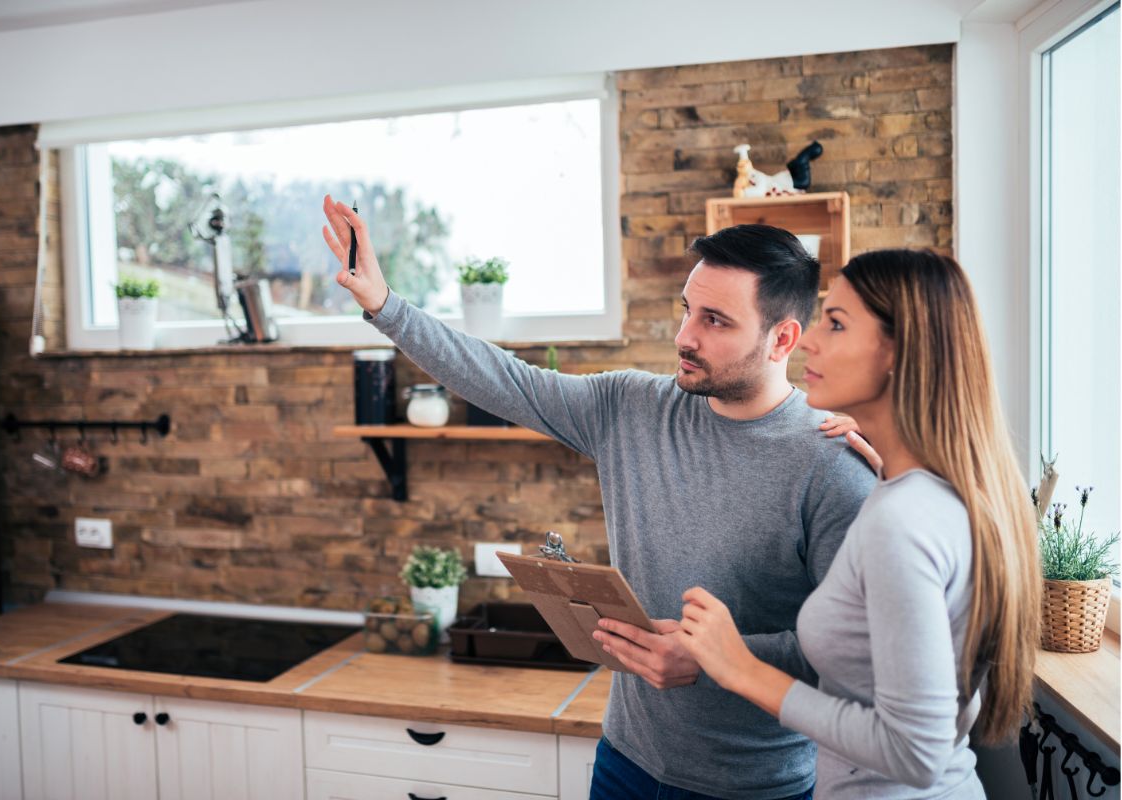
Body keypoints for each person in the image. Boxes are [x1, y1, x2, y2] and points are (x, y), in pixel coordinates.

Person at [322, 195, 876, 800]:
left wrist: (716, 657)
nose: (683, 336)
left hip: (754, 787)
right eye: (687, 310)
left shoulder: (832, 465)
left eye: (715, 321)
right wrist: (385, 304)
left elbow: (855, 652)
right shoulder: (630, 407)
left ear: (782, 339)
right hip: (625, 764)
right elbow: (505, 380)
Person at [678, 249, 1041, 799]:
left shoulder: (903, 521)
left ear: (899, 353)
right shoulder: (930, 493)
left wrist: (739, 668)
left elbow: (915, 752)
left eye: (837, 323)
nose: (810, 340)